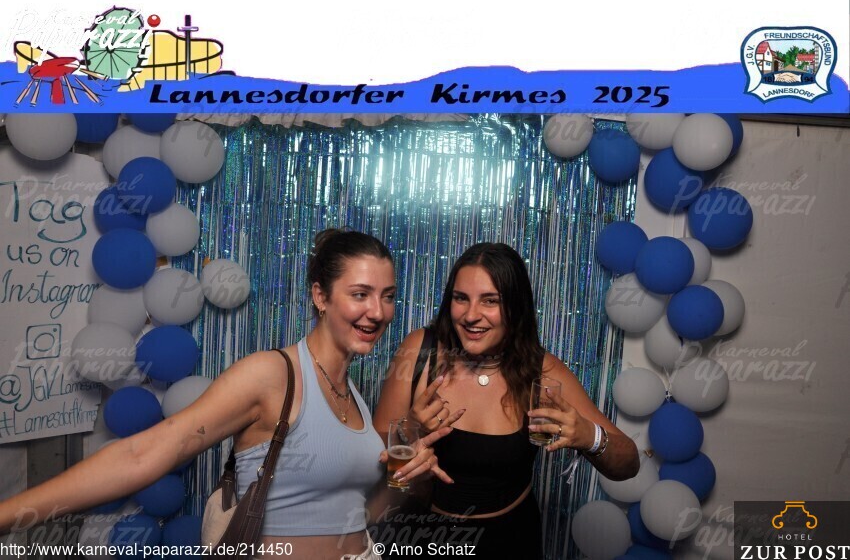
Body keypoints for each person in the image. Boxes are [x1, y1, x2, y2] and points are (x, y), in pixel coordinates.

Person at [0, 229, 454, 560]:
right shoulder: (270, 376)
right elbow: (141, 454)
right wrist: (8, 514)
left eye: (388, 296)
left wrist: (406, 478)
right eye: (360, 294)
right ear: (321, 296)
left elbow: (362, 515)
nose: (377, 311)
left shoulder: (352, 395)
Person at [373, 242, 640, 559]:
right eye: (461, 298)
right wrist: (411, 430)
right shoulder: (420, 351)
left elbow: (628, 464)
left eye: (490, 301)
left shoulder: (541, 371)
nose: (471, 315)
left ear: (515, 307)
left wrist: (589, 436)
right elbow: (375, 461)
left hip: (510, 542)